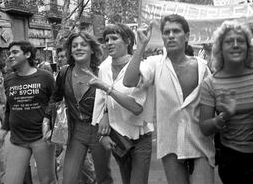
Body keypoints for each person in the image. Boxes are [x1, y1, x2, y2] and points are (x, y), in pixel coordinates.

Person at [123, 14, 214, 184]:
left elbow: (211, 103)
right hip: (170, 146)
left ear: (186, 36)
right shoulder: (155, 64)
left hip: (200, 143)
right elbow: (129, 81)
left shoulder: (202, 67)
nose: (171, 35)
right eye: (166, 32)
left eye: (176, 31)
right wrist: (141, 46)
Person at [199, 20, 253, 184]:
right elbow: (205, 128)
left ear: (248, 47)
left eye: (241, 41)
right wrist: (225, 116)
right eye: (229, 41)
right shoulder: (210, 83)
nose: (235, 45)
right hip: (231, 161)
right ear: (220, 48)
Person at [44, 31, 113, 184]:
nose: (78, 48)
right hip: (76, 131)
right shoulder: (64, 72)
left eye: (83, 45)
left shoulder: (102, 72)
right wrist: (46, 120)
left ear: (92, 49)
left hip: (99, 131)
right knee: (68, 179)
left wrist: (107, 116)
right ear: (70, 50)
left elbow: (110, 99)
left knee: (103, 178)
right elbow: (55, 97)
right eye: (74, 46)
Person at [90, 23, 154, 184]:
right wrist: (102, 132)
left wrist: (107, 88)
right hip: (118, 138)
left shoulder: (143, 67)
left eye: (114, 38)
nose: (109, 43)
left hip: (140, 138)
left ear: (127, 41)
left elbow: (136, 107)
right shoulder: (103, 68)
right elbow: (101, 101)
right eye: (106, 39)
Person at [0, 40, 56, 184]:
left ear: (27, 54)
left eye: (15, 52)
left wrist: (53, 127)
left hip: (42, 137)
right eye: (9, 53)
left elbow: (55, 103)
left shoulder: (45, 77)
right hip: (17, 138)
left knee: (47, 180)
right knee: (11, 181)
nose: (10, 56)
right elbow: (9, 108)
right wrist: (3, 131)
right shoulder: (9, 80)